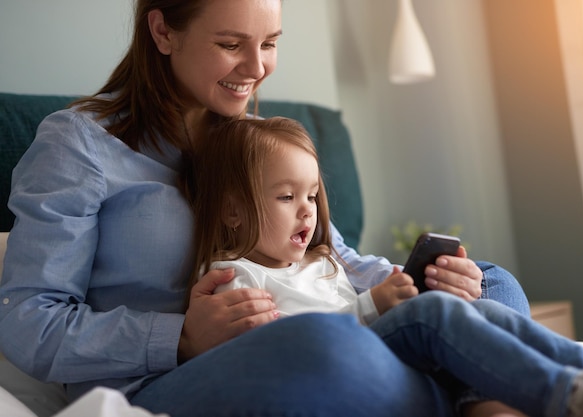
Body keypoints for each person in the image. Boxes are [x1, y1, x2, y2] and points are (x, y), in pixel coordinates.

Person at [0, 0, 531, 416]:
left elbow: (329, 254)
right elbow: (27, 322)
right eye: (231, 44)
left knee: (489, 279)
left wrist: (418, 280)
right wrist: (179, 339)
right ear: (163, 32)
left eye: (270, 43)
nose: (256, 69)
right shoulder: (80, 145)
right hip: (164, 382)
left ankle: (480, 399)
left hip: (322, 331)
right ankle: (487, 386)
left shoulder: (256, 143)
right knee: (321, 345)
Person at [185, 115, 583, 417]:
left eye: (312, 196)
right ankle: (571, 397)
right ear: (233, 212)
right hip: (338, 354)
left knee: (484, 305)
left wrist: (406, 284)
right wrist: (374, 306)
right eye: (286, 197)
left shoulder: (322, 258)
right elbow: (285, 346)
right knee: (433, 316)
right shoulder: (234, 276)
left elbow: (365, 279)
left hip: (382, 346)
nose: (307, 212)